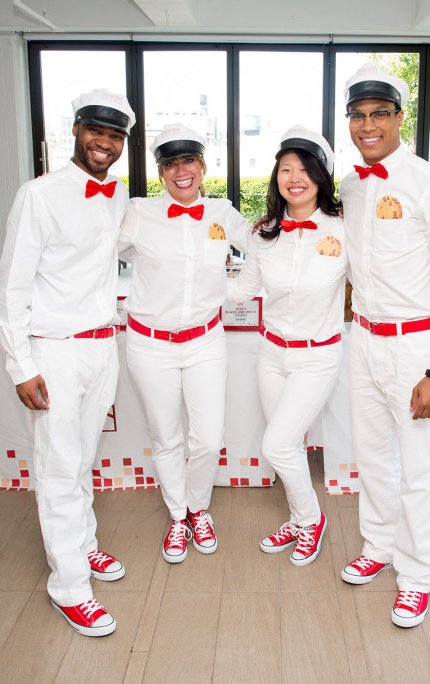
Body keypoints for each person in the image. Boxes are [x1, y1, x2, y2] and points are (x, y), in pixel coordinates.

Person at [0, 88, 135, 638]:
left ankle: (84, 548)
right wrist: (20, 366)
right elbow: (12, 288)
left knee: (80, 462)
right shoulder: (40, 194)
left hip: (102, 346)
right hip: (53, 349)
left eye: (116, 134)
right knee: (57, 467)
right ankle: (69, 587)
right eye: (96, 130)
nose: (104, 142)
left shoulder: (117, 196)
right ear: (76, 129)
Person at [338, 63, 430, 627]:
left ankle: (417, 574)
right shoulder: (349, 185)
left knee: (417, 468)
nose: (368, 125)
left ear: (400, 118)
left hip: (415, 349)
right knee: (372, 458)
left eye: (379, 114)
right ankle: (378, 547)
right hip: (363, 341)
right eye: (358, 116)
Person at [118, 124, 249, 564]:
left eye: (188, 161)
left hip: (205, 341)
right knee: (166, 437)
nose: (181, 171)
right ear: (160, 172)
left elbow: (266, 249)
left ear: (203, 165)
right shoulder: (138, 212)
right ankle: (179, 516)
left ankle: (199, 508)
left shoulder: (223, 213)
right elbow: (93, 252)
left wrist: (234, 295)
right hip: (149, 343)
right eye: (170, 164)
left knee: (208, 439)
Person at [227, 125, 346, 566]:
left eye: (304, 169)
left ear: (320, 177)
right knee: (288, 445)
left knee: (275, 445)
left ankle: (312, 521)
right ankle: (299, 519)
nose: (294, 177)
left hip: (318, 355)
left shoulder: (344, 230)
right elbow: (242, 291)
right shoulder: (264, 234)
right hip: (271, 353)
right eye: (285, 169)